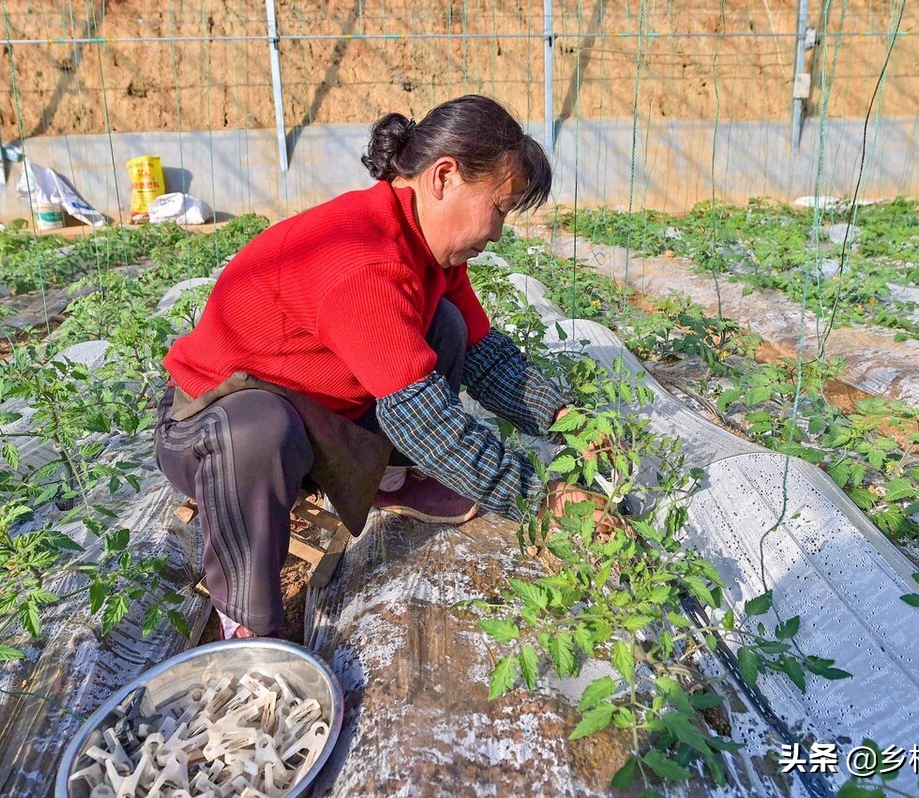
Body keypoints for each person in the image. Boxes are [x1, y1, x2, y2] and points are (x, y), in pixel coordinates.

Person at [155, 94, 598, 639]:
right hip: (207, 432)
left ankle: (388, 480)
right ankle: (248, 623)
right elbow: (425, 420)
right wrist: (540, 501)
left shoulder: (425, 245)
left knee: (448, 327)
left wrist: (570, 419)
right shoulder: (363, 260)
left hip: (311, 413)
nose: (498, 232)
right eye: (500, 208)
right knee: (256, 430)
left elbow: (486, 357)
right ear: (444, 177)